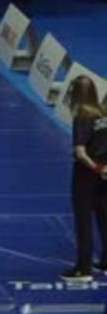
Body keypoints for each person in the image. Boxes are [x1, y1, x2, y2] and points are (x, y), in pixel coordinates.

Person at [63, 76, 107, 282]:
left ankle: (83, 268)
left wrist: (96, 167)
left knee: (83, 219)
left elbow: (81, 152)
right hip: (105, 172)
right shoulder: (103, 113)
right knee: (104, 215)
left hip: (87, 174)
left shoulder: (82, 116)